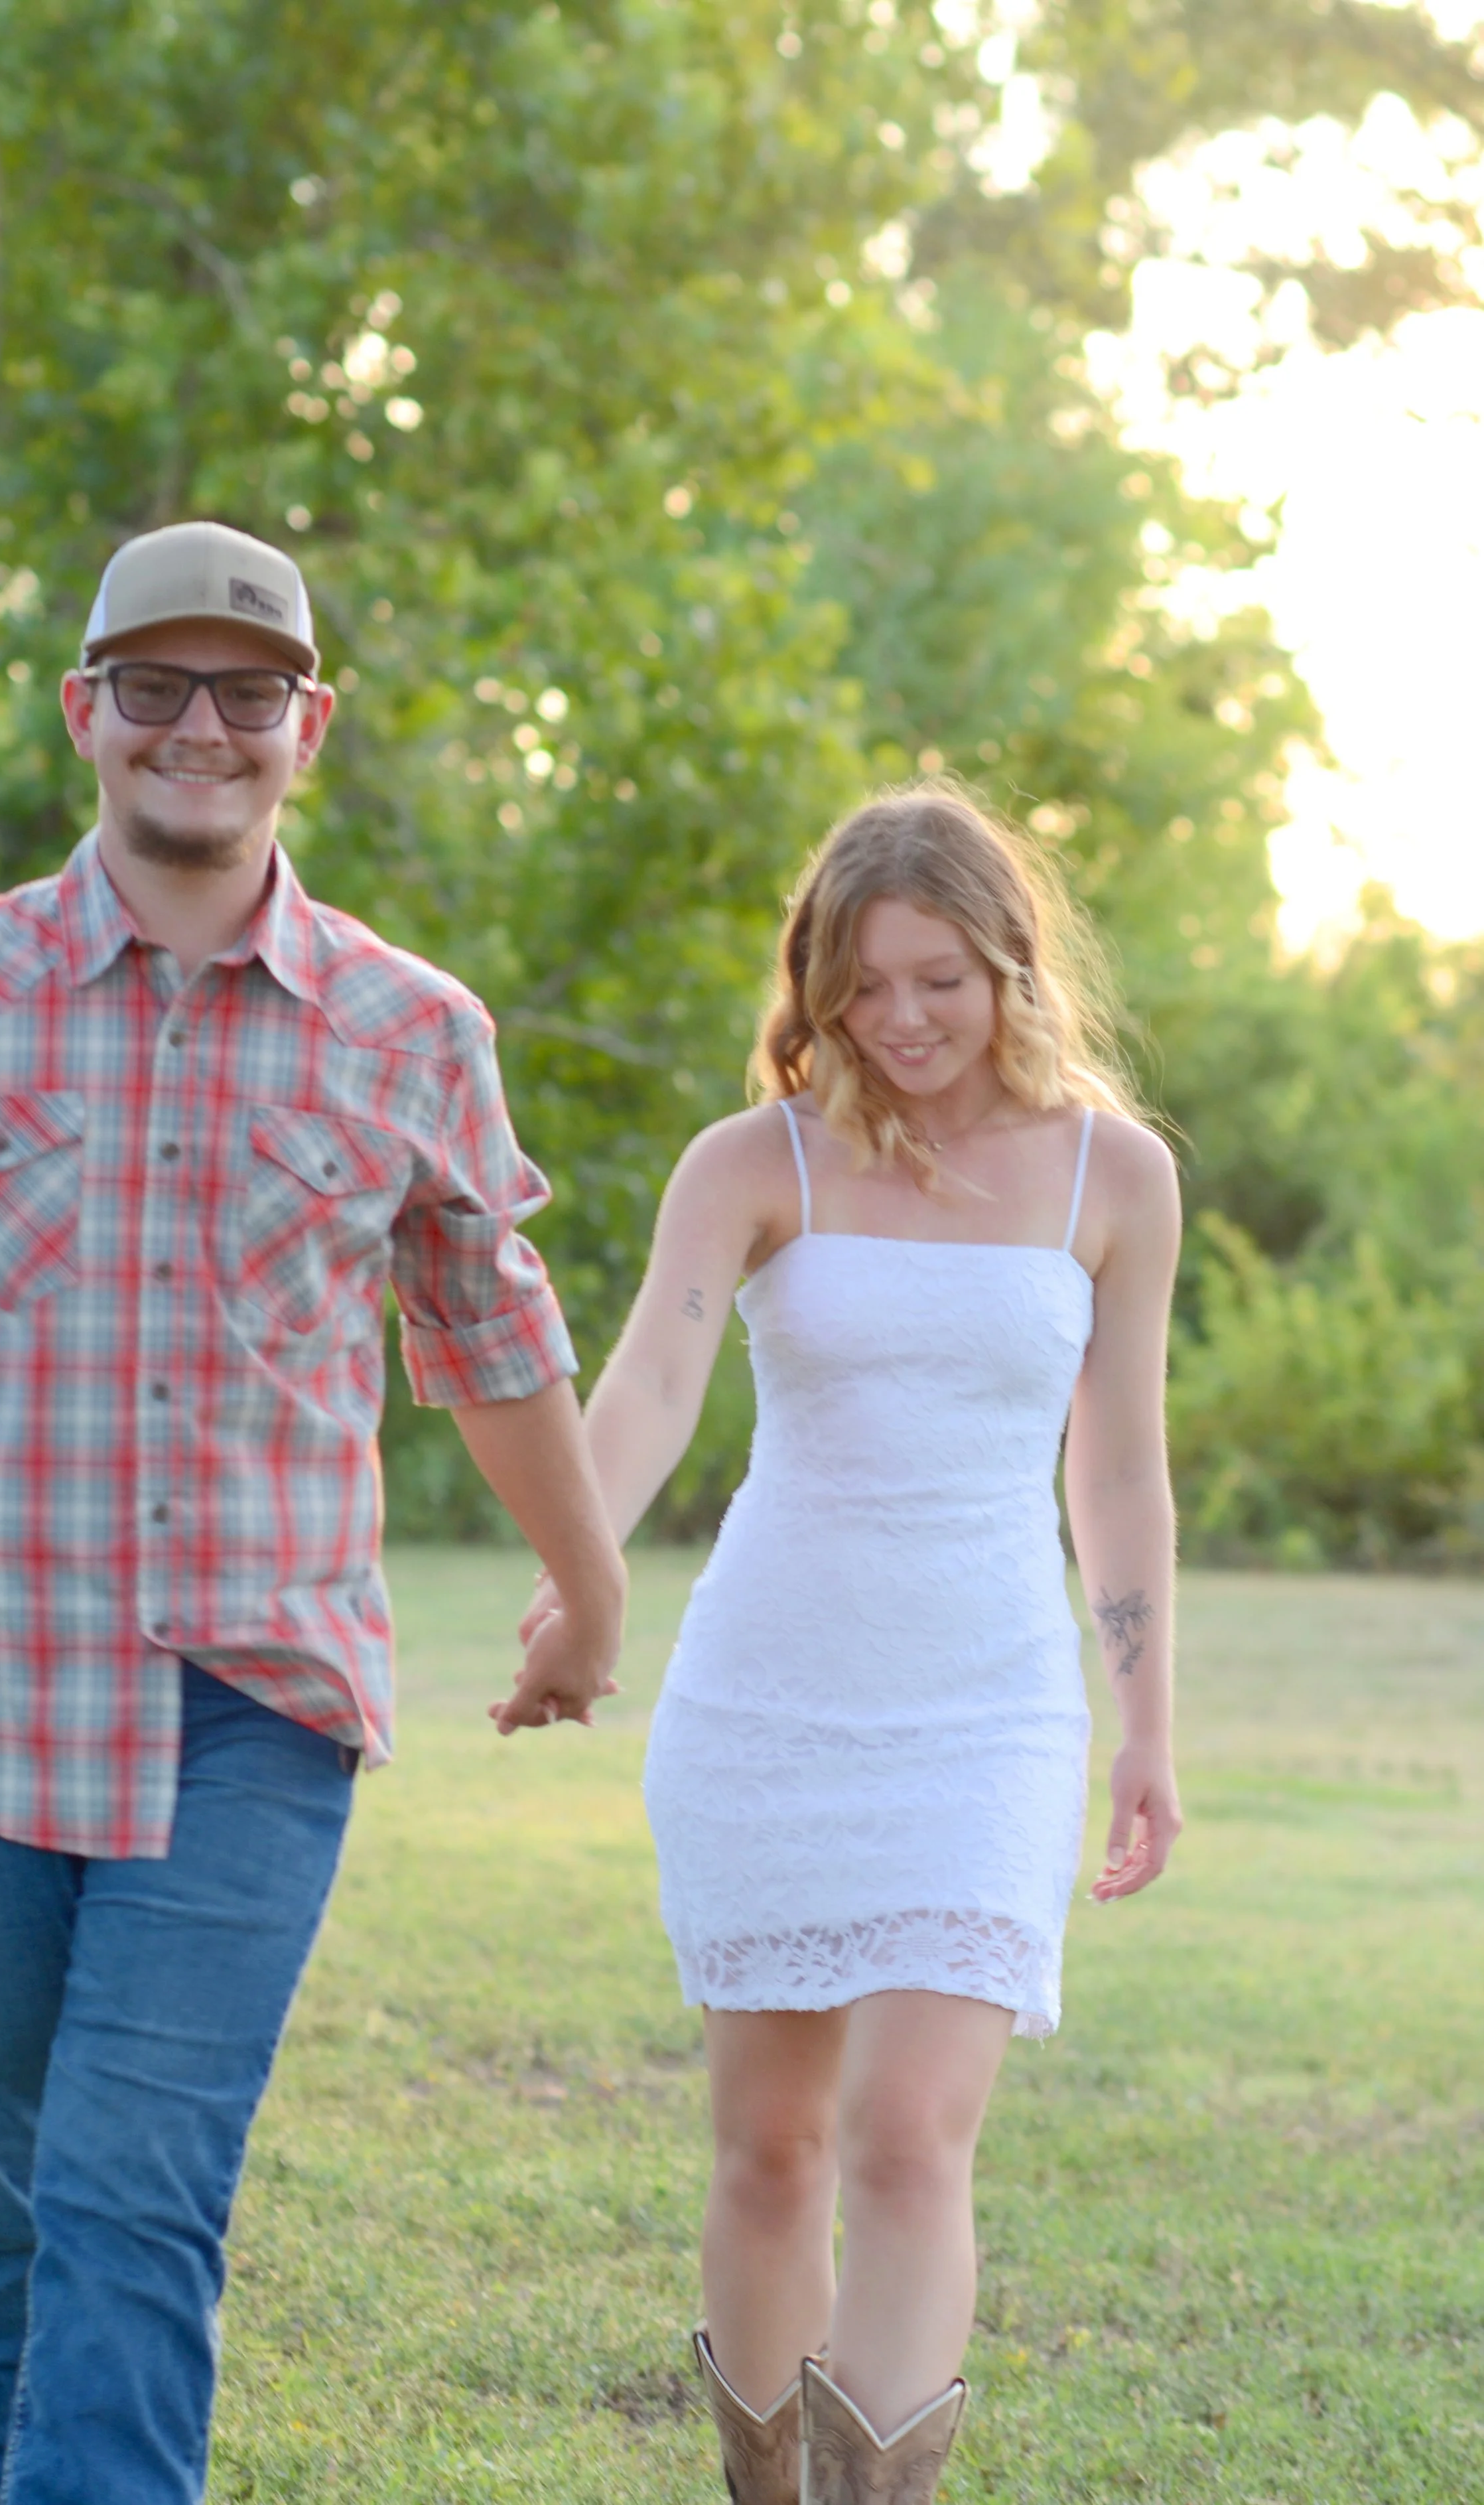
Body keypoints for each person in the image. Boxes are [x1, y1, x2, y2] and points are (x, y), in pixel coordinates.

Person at [0, 519, 627, 2505]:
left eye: (248, 691)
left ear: (309, 726)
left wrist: (586, 1597)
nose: (204, 727)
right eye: (160, 687)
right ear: (87, 710)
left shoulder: (408, 1027)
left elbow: (490, 1333)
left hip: (250, 1709)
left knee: (130, 2189)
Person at [525, 785, 1183, 2501]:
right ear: (814, 988)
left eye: (938, 980)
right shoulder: (757, 1161)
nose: (899, 1020)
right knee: (767, 2148)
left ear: (1009, 967)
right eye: (862, 985)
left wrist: (1147, 1723)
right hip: (768, 1694)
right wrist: (573, 1577)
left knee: (906, 2135)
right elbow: (652, 1377)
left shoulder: (1116, 1178)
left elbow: (1113, 1461)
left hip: (986, 1708)